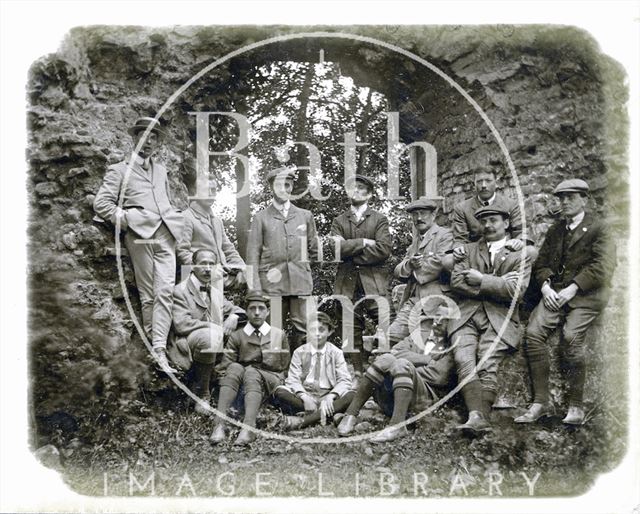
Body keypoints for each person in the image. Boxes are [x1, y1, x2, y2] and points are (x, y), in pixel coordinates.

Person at [515, 179, 615, 425]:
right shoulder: (556, 230)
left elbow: (604, 266)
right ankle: (540, 402)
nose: (565, 202)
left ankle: (576, 406)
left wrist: (573, 288)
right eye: (562, 198)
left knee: (571, 337)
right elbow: (542, 264)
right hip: (555, 294)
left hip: (586, 296)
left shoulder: (600, 228)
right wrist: (546, 287)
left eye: (571, 197)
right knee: (533, 334)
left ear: (584, 199)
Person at [93, 117, 184, 372]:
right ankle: (158, 352)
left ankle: (161, 348)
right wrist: (126, 218)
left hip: (166, 233)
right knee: (148, 295)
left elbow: (164, 198)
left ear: (157, 141)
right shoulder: (118, 169)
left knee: (166, 291)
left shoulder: (162, 170)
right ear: (135, 138)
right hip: (140, 234)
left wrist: (174, 216)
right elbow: (102, 203)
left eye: (153, 137)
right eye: (143, 136)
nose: (148, 141)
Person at [449, 203, 532, 433]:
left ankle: (479, 416)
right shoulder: (467, 250)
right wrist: (498, 283)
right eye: (483, 221)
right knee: (463, 357)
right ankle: (477, 417)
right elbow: (457, 282)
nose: (487, 225)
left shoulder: (519, 254)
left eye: (493, 220)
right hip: (465, 315)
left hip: (500, 317)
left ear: (506, 224)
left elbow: (517, 291)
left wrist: (480, 280)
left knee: (487, 362)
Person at [337, 303, 456, 442]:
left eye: (445, 318)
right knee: (386, 358)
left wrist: (407, 369)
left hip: (424, 403)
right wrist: (427, 360)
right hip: (395, 397)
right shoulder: (418, 337)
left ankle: (397, 426)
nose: (438, 321)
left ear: (454, 324)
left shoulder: (453, 346)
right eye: (437, 316)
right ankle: (350, 414)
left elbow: (438, 376)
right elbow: (394, 352)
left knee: (400, 364)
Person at [246, 167, 318, 351]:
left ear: (292, 187)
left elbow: (314, 250)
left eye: (287, 184)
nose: (283, 189)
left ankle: (301, 371)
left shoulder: (305, 215)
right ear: (271, 187)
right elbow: (252, 255)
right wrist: (255, 288)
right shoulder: (261, 218)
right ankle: (275, 373)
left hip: (300, 282)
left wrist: (304, 268)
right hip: (272, 284)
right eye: (278, 185)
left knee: (304, 330)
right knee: (273, 330)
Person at [169, 249, 246, 414]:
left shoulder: (215, 293)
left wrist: (233, 316)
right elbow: (181, 325)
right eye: (203, 263)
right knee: (211, 336)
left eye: (212, 264)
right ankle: (203, 394)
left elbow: (238, 310)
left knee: (241, 332)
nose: (208, 268)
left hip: (211, 340)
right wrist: (214, 327)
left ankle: (225, 388)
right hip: (187, 343)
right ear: (192, 265)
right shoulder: (180, 291)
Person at [331, 174, 392, 375]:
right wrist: (365, 243)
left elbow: (384, 250)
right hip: (346, 281)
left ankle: (383, 370)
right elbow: (336, 250)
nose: (355, 192)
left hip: (373, 281)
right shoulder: (339, 221)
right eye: (351, 188)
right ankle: (357, 371)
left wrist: (351, 253)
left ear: (370, 194)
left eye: (360, 188)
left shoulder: (379, 219)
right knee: (350, 324)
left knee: (384, 322)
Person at [210, 292, 290, 446]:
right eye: (252, 308)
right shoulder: (238, 335)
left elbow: (285, 368)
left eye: (261, 308)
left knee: (252, 372)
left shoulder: (279, 335)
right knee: (234, 367)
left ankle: (249, 427)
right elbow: (224, 368)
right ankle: (219, 424)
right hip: (243, 383)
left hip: (270, 380)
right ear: (246, 312)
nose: (257, 312)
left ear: (267, 312)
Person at [387, 197, 453, 347]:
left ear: (433, 215)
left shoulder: (445, 235)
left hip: (436, 300)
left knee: (424, 347)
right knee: (390, 337)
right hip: (414, 300)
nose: (419, 218)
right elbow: (398, 271)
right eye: (415, 215)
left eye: (423, 213)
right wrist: (410, 265)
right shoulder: (414, 243)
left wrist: (415, 272)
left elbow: (440, 263)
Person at [274, 312, 354, 430]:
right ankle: (330, 415)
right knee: (280, 392)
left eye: (321, 330)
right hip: (305, 397)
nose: (317, 334)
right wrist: (304, 396)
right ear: (307, 332)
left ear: (329, 331)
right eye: (313, 330)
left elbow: (345, 379)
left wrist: (331, 396)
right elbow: (293, 379)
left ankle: (303, 420)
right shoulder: (299, 352)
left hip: (327, 397)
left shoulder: (336, 352)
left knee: (351, 395)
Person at [176, 181, 246, 289]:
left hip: (220, 276)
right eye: (205, 190)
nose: (210, 193)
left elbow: (228, 249)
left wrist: (242, 268)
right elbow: (182, 251)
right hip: (197, 277)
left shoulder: (216, 221)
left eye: (213, 190)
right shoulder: (186, 217)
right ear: (196, 192)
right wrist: (207, 269)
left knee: (256, 278)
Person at [452, 169, 527, 259]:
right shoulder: (462, 208)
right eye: (479, 181)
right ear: (474, 184)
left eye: (488, 181)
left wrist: (519, 241)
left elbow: (520, 230)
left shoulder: (511, 204)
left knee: (530, 251)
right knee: (448, 260)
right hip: (476, 253)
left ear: (496, 183)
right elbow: (460, 237)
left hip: (506, 250)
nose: (483, 185)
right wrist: (458, 248)